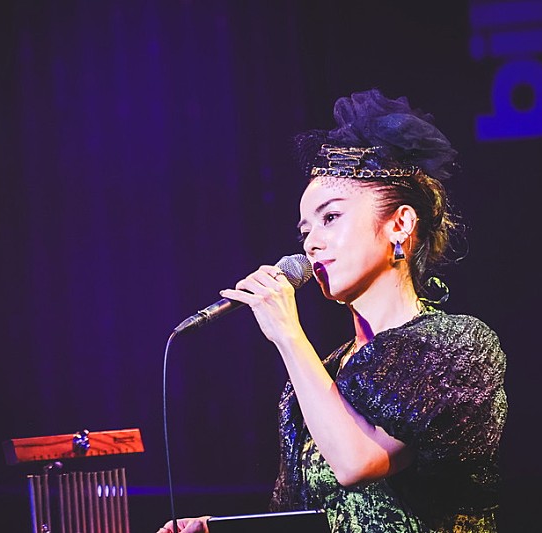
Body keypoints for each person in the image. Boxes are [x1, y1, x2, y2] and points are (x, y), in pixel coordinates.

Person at [157, 88, 507, 532]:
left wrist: (287, 333)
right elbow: (298, 518)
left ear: (400, 223)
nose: (311, 243)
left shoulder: (458, 347)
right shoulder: (321, 372)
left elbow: (358, 463)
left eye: (331, 218)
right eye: (305, 230)